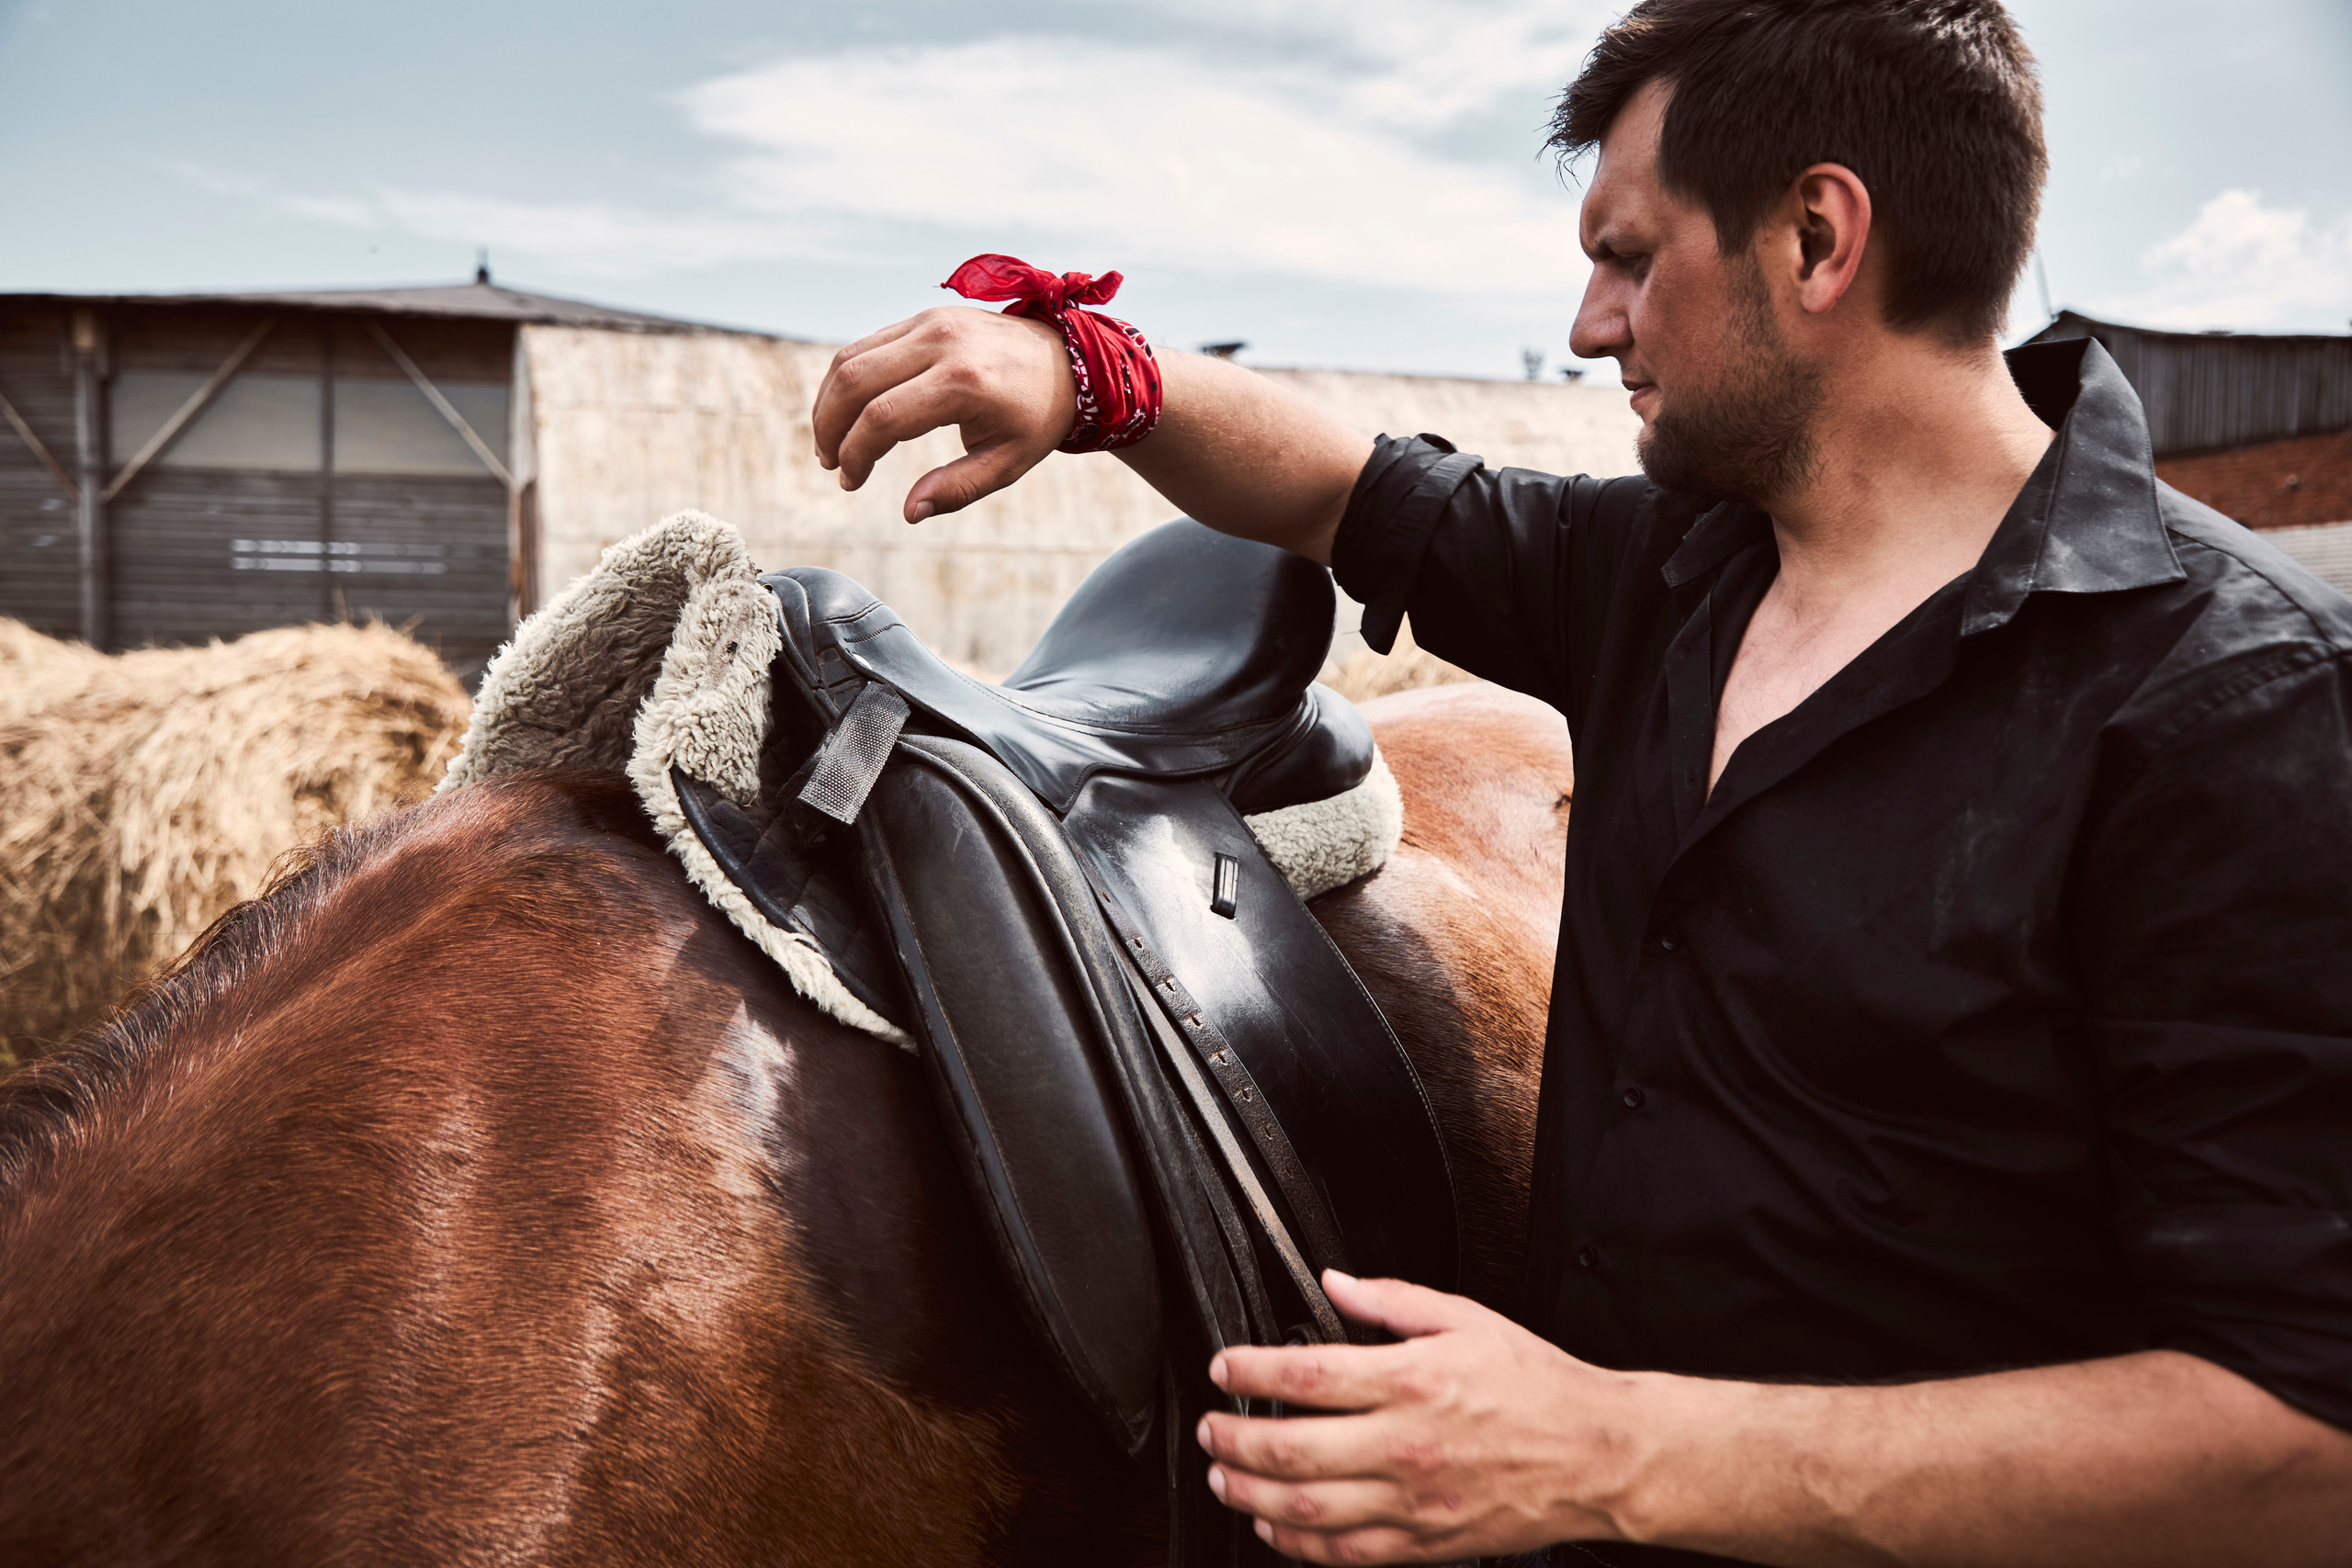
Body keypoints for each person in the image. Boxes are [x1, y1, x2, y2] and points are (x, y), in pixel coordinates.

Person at [807, 1, 2352, 1560]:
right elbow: (1350, 486)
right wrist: (1093, 374)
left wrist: (1608, 1452)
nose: (1589, 324)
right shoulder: (1664, 575)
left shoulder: (2241, 701)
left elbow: (2306, 1442)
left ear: (1817, 238)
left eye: (1629, 256)